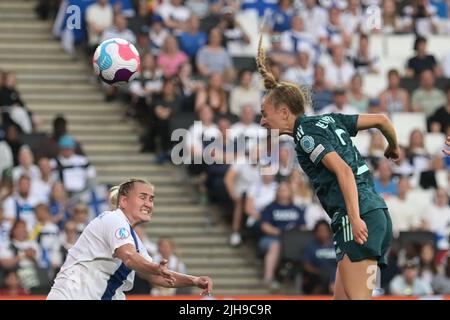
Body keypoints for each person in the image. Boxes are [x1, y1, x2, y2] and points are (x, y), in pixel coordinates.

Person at [256, 35, 399, 300]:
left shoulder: (305, 136)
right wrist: (394, 147)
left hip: (356, 218)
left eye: (266, 113)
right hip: (374, 212)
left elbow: (343, 171)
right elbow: (381, 120)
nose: (263, 121)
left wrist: (355, 219)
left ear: (285, 112)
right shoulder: (329, 119)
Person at [47, 179, 212, 299]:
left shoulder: (134, 240)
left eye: (151, 199)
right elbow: (129, 257)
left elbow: (158, 277)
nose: (149, 204)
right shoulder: (113, 220)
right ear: (123, 201)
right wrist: (154, 267)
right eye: (143, 197)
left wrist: (194, 280)